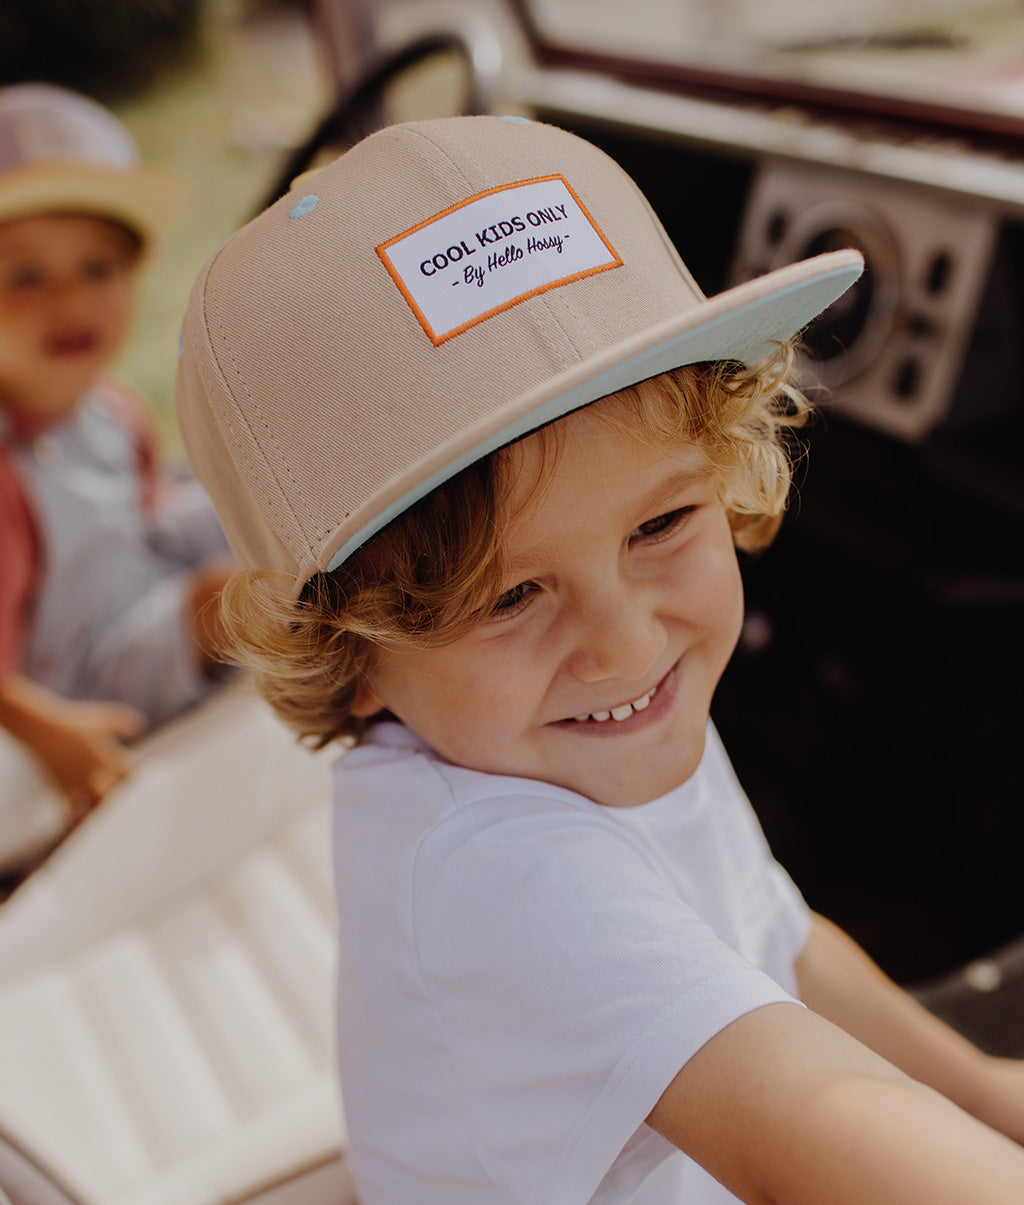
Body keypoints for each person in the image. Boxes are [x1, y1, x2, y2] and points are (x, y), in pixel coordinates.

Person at [175, 115, 1024, 1204]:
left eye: (659, 523)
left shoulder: (594, 724)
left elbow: (773, 931)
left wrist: (986, 1093)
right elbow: (821, 1124)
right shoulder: (501, 878)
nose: (625, 640)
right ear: (352, 660)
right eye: (511, 594)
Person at [0, 83, 233, 821]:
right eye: (25, 276)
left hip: (133, 579)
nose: (70, 302)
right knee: (223, 600)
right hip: (72, 671)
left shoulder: (113, 413)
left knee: (246, 491)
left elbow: (143, 514)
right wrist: (50, 731)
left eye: (97, 269)